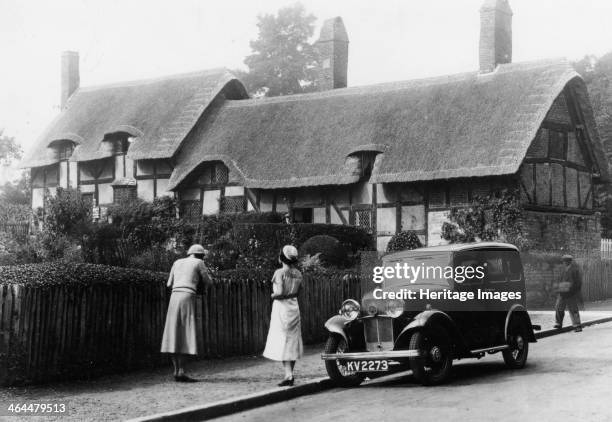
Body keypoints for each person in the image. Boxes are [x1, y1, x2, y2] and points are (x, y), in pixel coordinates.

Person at [161, 244, 212, 382]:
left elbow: (168, 284)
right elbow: (208, 281)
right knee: (185, 332)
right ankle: (182, 371)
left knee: (173, 332)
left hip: (174, 296)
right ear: (200, 255)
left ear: (189, 253)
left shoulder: (177, 262)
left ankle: (176, 370)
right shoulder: (199, 262)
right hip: (188, 295)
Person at [263, 245, 304, 386]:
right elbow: (299, 292)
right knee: (292, 341)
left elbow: (279, 292)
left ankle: (288, 375)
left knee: (283, 341)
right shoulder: (298, 273)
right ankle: (289, 374)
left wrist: (272, 295)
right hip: (294, 306)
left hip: (282, 307)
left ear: (281, 257)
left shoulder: (280, 272)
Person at [554, 254, 583, 332]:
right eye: (564, 261)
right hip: (562, 292)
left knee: (573, 309)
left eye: (567, 261)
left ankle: (577, 325)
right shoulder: (561, 270)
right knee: (558, 307)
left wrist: (574, 291)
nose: (565, 262)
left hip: (571, 293)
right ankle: (558, 323)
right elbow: (558, 280)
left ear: (570, 261)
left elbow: (578, 282)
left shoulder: (575, 270)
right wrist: (558, 288)